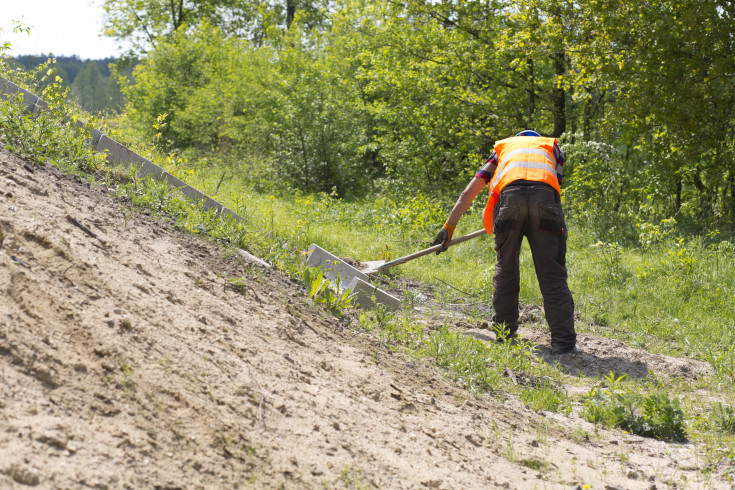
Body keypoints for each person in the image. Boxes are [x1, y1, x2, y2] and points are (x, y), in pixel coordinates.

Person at [432, 130, 579, 355]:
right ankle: (563, 343)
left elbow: (468, 191)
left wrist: (448, 227)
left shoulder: (503, 148)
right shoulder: (551, 147)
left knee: (506, 268)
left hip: (510, 200)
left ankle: (505, 333)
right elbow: (553, 185)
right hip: (545, 203)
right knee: (552, 273)